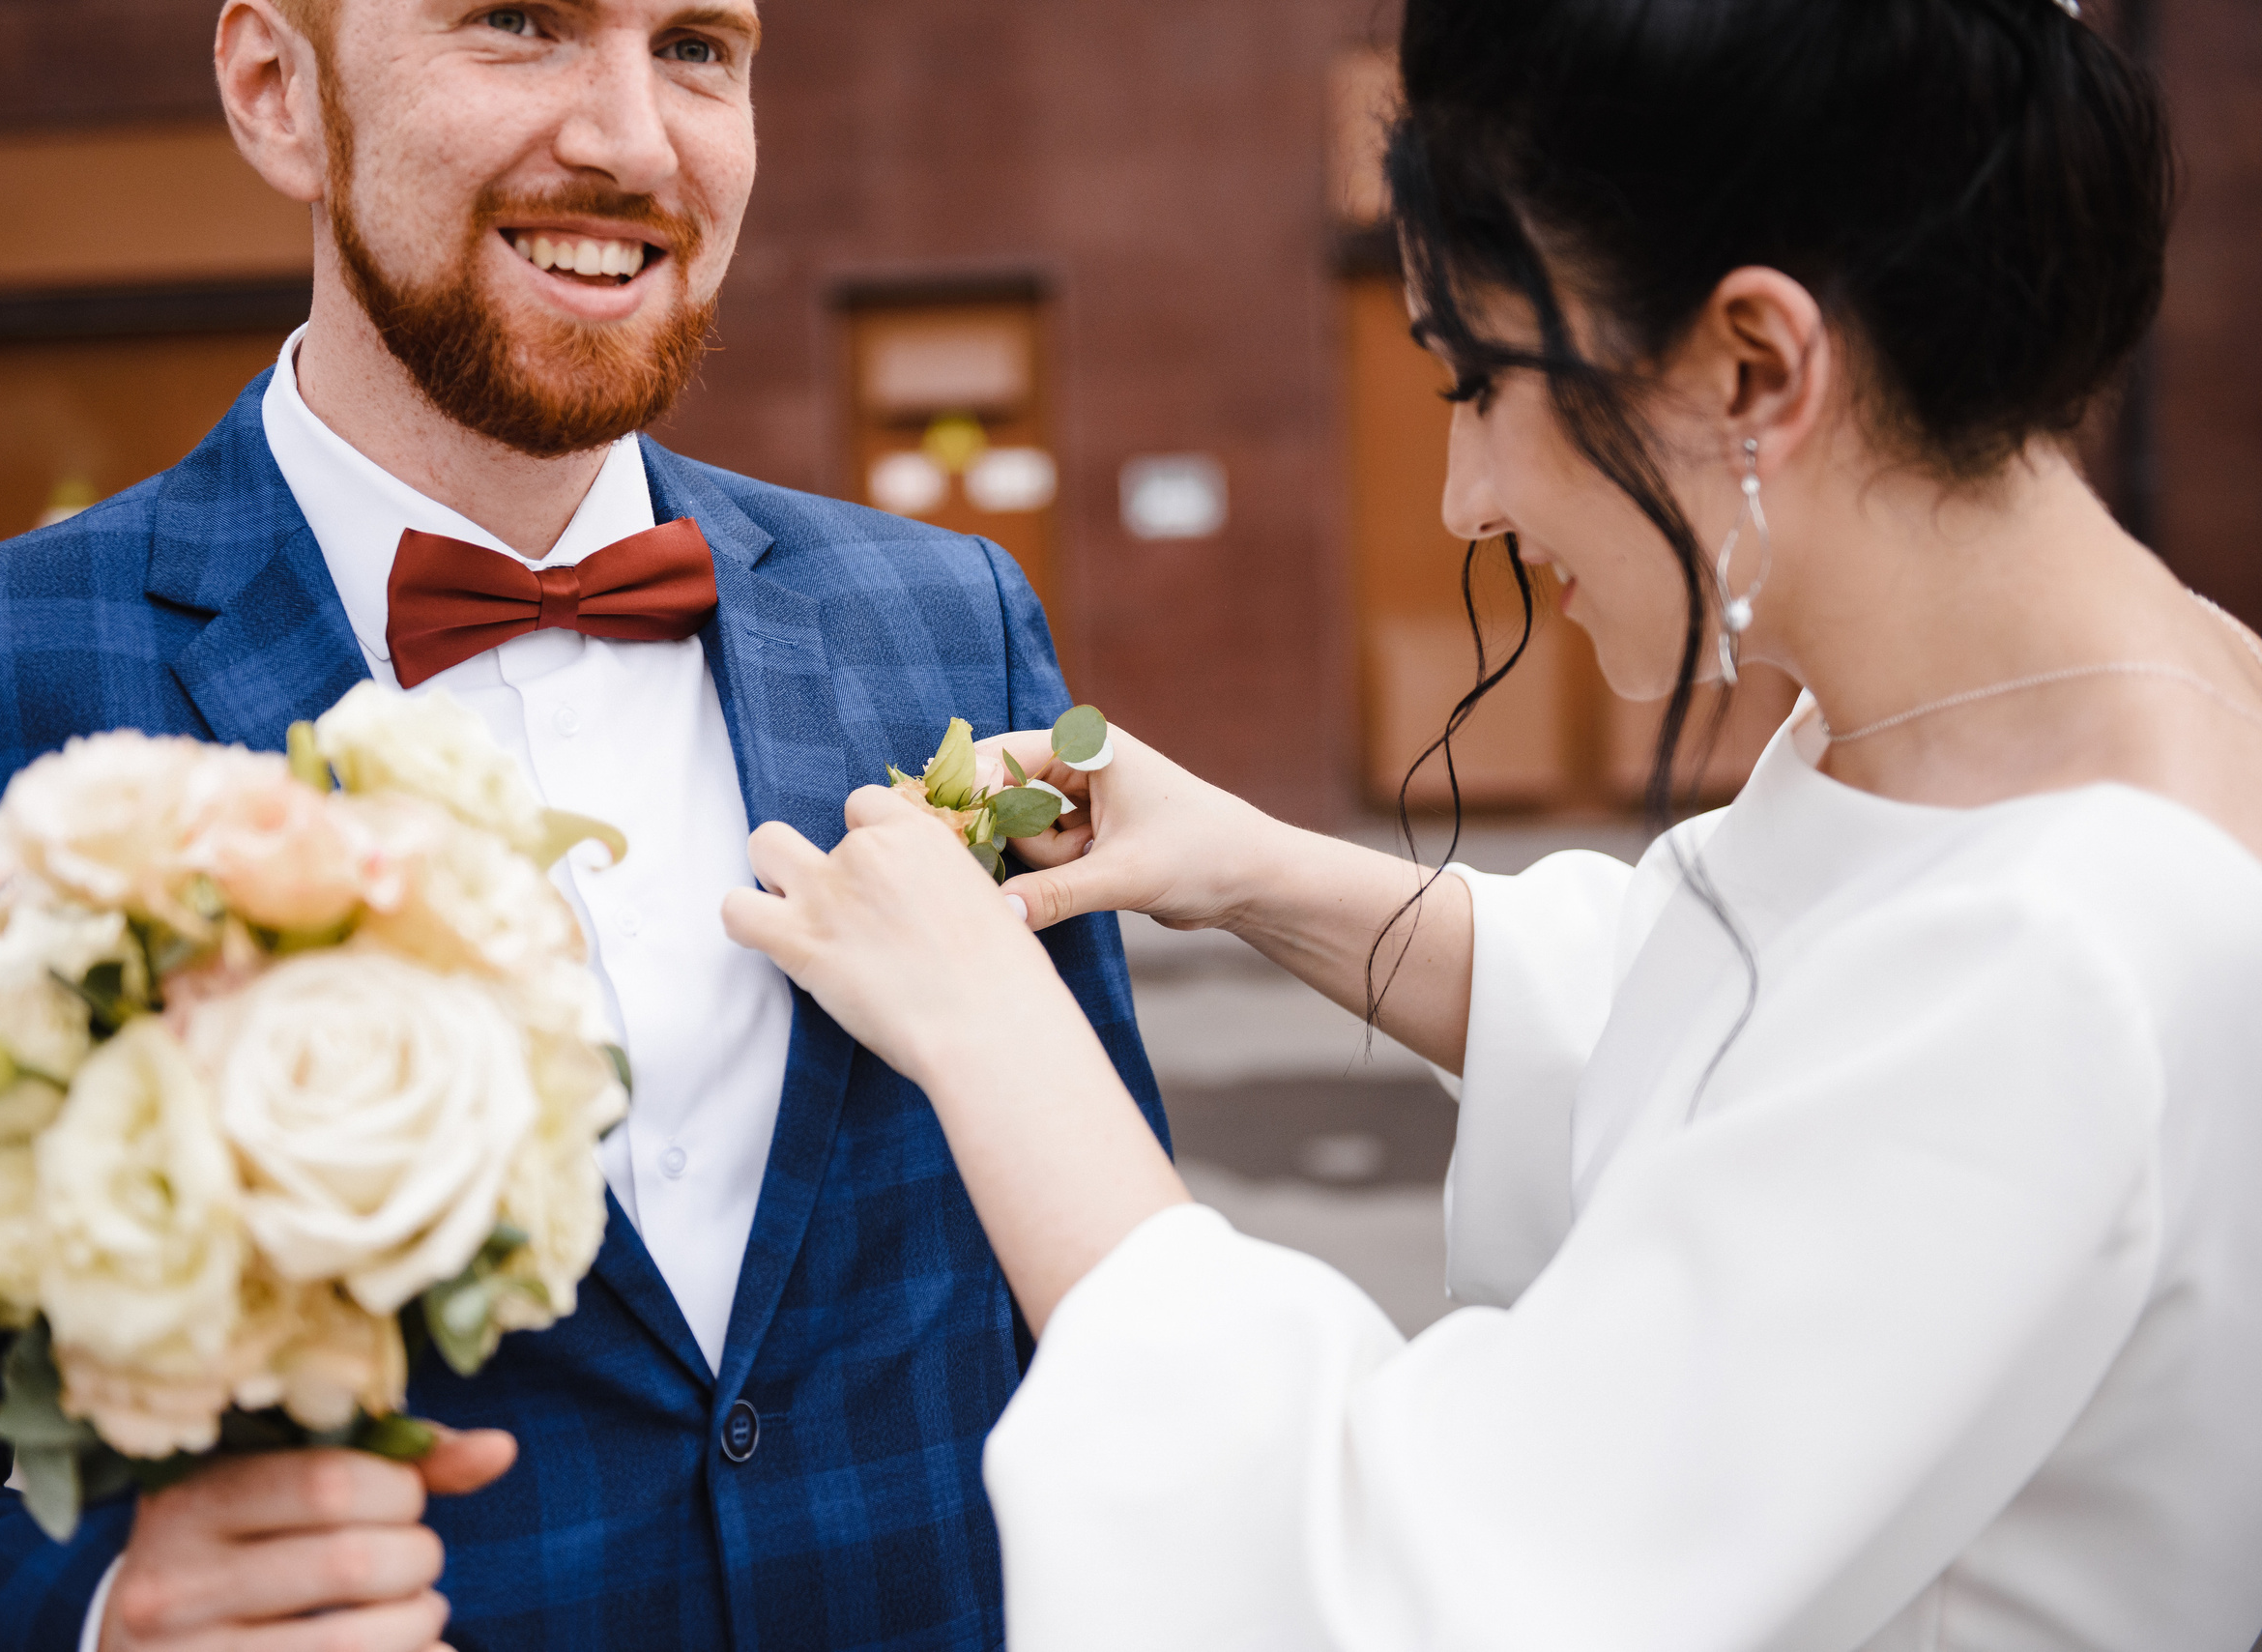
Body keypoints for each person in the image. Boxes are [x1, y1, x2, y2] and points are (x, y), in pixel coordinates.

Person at [720, 1, 2262, 1647]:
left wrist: (986, 1025)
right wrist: (1247, 863)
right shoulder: (2049, 721)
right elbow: (1705, 1025)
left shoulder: (2063, 950)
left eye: (1478, 385)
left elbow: (1393, 1587)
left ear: (1758, 365)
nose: (1467, 498)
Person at [0, 2, 1161, 1648]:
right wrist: (95, 1620)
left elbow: (1114, 1312)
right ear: (278, 92)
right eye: (519, 23)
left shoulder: (951, 621)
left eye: (699, 48)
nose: (635, 140)